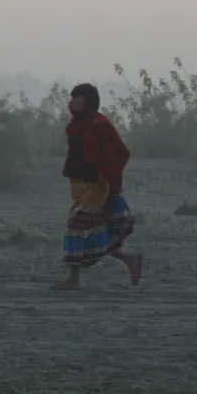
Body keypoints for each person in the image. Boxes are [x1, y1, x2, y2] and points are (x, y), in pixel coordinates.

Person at [54, 83, 142, 289]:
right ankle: (130, 260)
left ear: (89, 102)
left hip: (96, 188)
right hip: (80, 188)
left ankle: (73, 280)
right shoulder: (75, 125)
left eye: (78, 98)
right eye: (72, 97)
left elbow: (120, 153)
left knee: (75, 228)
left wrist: (110, 182)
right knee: (91, 229)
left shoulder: (99, 125)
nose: (73, 102)